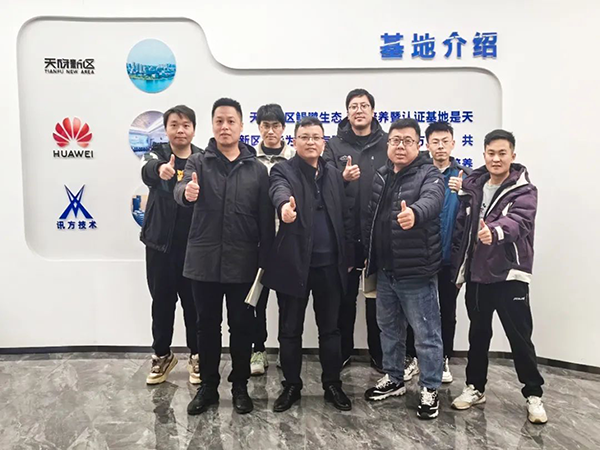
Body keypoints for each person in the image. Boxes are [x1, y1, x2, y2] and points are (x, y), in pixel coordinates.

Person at [175, 98, 275, 415]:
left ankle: (240, 386)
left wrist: (266, 261)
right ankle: (208, 388)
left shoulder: (257, 170)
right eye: (219, 121)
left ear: (241, 126)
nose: (225, 126)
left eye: (231, 121)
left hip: (243, 263)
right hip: (203, 261)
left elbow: (265, 220)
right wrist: (186, 193)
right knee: (206, 327)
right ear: (212, 125)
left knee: (242, 328)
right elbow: (181, 189)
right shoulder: (198, 163)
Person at [450, 129, 547, 424]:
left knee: (520, 338)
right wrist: (459, 267)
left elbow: (519, 222)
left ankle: (534, 394)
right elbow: (462, 228)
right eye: (491, 153)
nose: (496, 158)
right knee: (478, 335)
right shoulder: (473, 186)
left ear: (512, 155)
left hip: (509, 275)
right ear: (484, 154)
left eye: (502, 153)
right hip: (478, 275)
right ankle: (475, 387)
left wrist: (494, 232)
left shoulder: (524, 190)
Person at [262, 116, 354, 412]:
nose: (311, 142)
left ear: (323, 142)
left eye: (316, 137)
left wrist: (349, 258)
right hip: (294, 265)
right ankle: (291, 385)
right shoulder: (283, 170)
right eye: (305, 137)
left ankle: (332, 384)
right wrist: (284, 208)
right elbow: (278, 190)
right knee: (290, 330)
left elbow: (345, 218)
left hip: (330, 267)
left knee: (331, 330)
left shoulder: (333, 174)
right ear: (295, 141)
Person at [363, 118, 445, 420]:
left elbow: (432, 202)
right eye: (395, 140)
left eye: (408, 141)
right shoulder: (382, 175)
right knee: (389, 330)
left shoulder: (429, 174)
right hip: (386, 271)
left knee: (426, 334)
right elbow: (371, 219)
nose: (400, 146)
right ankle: (394, 377)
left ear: (418, 145)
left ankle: (430, 387)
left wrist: (415, 214)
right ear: (388, 144)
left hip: (416, 272)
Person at [323, 88, 387, 371]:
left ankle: (380, 354)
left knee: (378, 300)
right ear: (347, 112)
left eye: (363, 106)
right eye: (353, 106)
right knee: (344, 299)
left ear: (372, 111)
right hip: (345, 235)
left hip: (378, 234)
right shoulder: (334, 145)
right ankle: (343, 352)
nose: (358, 110)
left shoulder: (387, 143)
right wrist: (342, 177)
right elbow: (321, 181)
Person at [404, 121, 471, 384]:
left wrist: (464, 192)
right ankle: (414, 358)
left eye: (445, 141)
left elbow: (476, 213)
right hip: (421, 257)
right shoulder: (417, 173)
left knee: (447, 311)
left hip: (450, 259)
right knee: (414, 311)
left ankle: (443, 358)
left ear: (453, 144)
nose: (440, 146)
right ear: (427, 145)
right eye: (435, 142)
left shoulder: (466, 177)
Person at [140, 105, 201, 385]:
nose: (180, 130)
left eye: (186, 125)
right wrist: (160, 169)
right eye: (174, 125)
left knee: (194, 305)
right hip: (159, 245)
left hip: (193, 247)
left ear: (193, 130)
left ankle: (197, 356)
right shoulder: (157, 154)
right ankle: (162, 355)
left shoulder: (202, 159)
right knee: (162, 303)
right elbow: (147, 170)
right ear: (166, 129)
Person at [250, 103, 295, 376]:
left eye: (275, 125)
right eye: (265, 125)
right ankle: (258, 349)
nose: (270, 131)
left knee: (287, 301)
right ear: (258, 128)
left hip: (287, 239)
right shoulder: (249, 158)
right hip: (256, 241)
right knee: (257, 299)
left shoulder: (294, 158)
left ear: (283, 128)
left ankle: (285, 350)